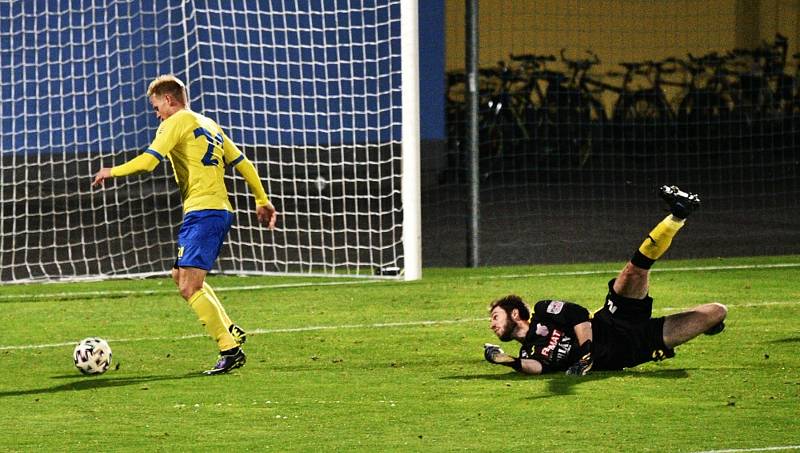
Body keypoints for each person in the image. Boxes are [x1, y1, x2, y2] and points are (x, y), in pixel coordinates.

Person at [92, 74, 277, 375]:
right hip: (211, 210)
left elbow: (149, 162)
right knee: (179, 275)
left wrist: (111, 171)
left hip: (205, 212)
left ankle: (229, 348)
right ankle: (230, 329)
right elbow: (243, 162)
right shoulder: (209, 123)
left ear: (169, 100)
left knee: (189, 286)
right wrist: (261, 199)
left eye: (156, 108)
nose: (156, 115)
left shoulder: (175, 121)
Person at [483, 185, 727, 376]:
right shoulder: (529, 351)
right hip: (635, 348)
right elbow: (537, 367)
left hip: (613, 321)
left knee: (634, 271)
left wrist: (586, 353)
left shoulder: (543, 310)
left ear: (515, 313)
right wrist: (509, 361)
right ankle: (709, 325)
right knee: (716, 312)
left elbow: (578, 315)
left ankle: (678, 214)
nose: (492, 325)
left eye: (495, 317)